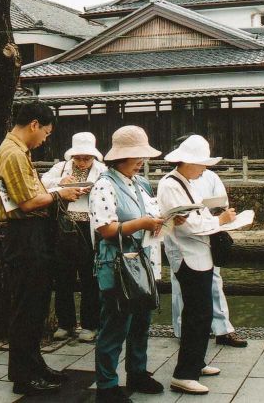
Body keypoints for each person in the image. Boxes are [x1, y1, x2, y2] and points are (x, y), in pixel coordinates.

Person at [0, 101, 84, 395]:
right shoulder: (13, 154)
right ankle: (24, 375)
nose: (45, 138)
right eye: (45, 132)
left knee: (35, 304)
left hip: (28, 234)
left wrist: (55, 193)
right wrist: (60, 193)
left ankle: (33, 365)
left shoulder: (15, 151)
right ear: (34, 124)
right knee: (28, 307)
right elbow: (27, 202)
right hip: (25, 235)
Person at [90, 126, 164, 403]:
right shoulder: (104, 184)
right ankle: (106, 385)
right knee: (115, 324)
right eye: (137, 156)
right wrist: (141, 224)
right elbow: (105, 229)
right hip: (118, 265)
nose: (141, 161)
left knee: (141, 322)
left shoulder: (141, 183)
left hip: (143, 262)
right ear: (120, 157)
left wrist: (161, 222)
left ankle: (137, 371)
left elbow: (152, 213)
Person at [158, 135, 236, 395]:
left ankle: (196, 362)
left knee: (202, 312)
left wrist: (217, 220)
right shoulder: (171, 185)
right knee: (196, 313)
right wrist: (221, 221)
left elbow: (192, 217)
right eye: (201, 163)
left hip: (200, 254)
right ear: (188, 161)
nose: (204, 168)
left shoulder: (186, 182)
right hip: (187, 255)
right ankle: (184, 373)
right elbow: (189, 225)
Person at [169, 134, 246, 348]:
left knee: (214, 283)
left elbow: (221, 203)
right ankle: (182, 330)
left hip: (208, 236)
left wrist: (218, 217)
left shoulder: (209, 177)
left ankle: (223, 329)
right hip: (184, 243)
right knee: (181, 288)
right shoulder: (173, 182)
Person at [42, 132, 107, 343]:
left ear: (94, 157)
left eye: (86, 158)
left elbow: (108, 191)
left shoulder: (102, 171)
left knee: (90, 277)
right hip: (65, 226)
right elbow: (43, 184)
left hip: (90, 227)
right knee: (63, 276)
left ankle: (90, 324)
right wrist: (61, 182)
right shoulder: (61, 168)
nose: (81, 162)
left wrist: (92, 189)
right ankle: (65, 323)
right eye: (78, 158)